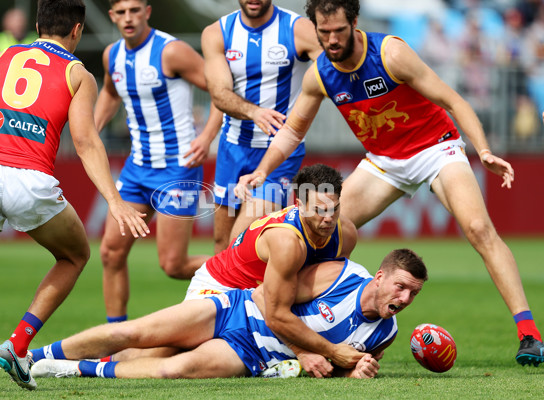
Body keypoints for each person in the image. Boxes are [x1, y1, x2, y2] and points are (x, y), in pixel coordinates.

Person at [235, 0, 544, 367]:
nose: (331, 40)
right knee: (315, 227)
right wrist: (262, 171)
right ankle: (266, 316)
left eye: (338, 31)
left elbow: (452, 99)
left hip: (435, 148)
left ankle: (529, 334)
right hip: (384, 162)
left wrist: (484, 150)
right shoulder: (319, 73)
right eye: (324, 32)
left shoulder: (390, 52)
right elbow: (292, 131)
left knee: (479, 229)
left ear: (354, 23)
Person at [0, 0, 149, 390]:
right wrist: (115, 200)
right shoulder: (78, 73)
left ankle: (17, 351)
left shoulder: (0, 57)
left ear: (37, 24)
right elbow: (87, 142)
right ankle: (18, 344)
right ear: (77, 30)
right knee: (75, 255)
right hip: (30, 182)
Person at [24, 249, 428, 379]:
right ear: (379, 276)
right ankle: (33, 356)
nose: (405, 297)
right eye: (401, 286)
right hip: (235, 309)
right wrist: (304, 350)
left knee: (172, 370)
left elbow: (338, 364)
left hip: (254, 355)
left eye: (413, 293)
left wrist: (353, 372)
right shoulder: (339, 275)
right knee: (136, 334)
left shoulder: (385, 333)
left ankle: (72, 370)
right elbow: (265, 296)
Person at [95, 0, 223, 324]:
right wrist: (90, 130)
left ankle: (247, 267)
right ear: (112, 16)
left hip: (177, 168)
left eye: (134, 10)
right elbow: (111, 91)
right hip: (137, 169)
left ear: (147, 12)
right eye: (121, 12)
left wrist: (207, 136)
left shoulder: (171, 51)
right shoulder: (113, 55)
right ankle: (115, 338)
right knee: (110, 252)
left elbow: (221, 90)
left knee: (173, 265)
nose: (128, 18)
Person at [186, 163, 359, 375]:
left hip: (257, 300)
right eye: (319, 210)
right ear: (300, 205)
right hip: (218, 287)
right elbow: (275, 312)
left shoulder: (346, 234)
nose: (329, 218)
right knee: (184, 359)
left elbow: (332, 292)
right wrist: (303, 351)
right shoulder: (287, 241)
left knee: (218, 361)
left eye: (334, 208)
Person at [201, 0, 323, 253]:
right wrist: (252, 111)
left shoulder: (298, 29)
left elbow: (334, 70)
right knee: (222, 247)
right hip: (232, 148)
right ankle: (224, 293)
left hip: (278, 153)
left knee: (241, 244)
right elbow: (218, 93)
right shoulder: (217, 33)